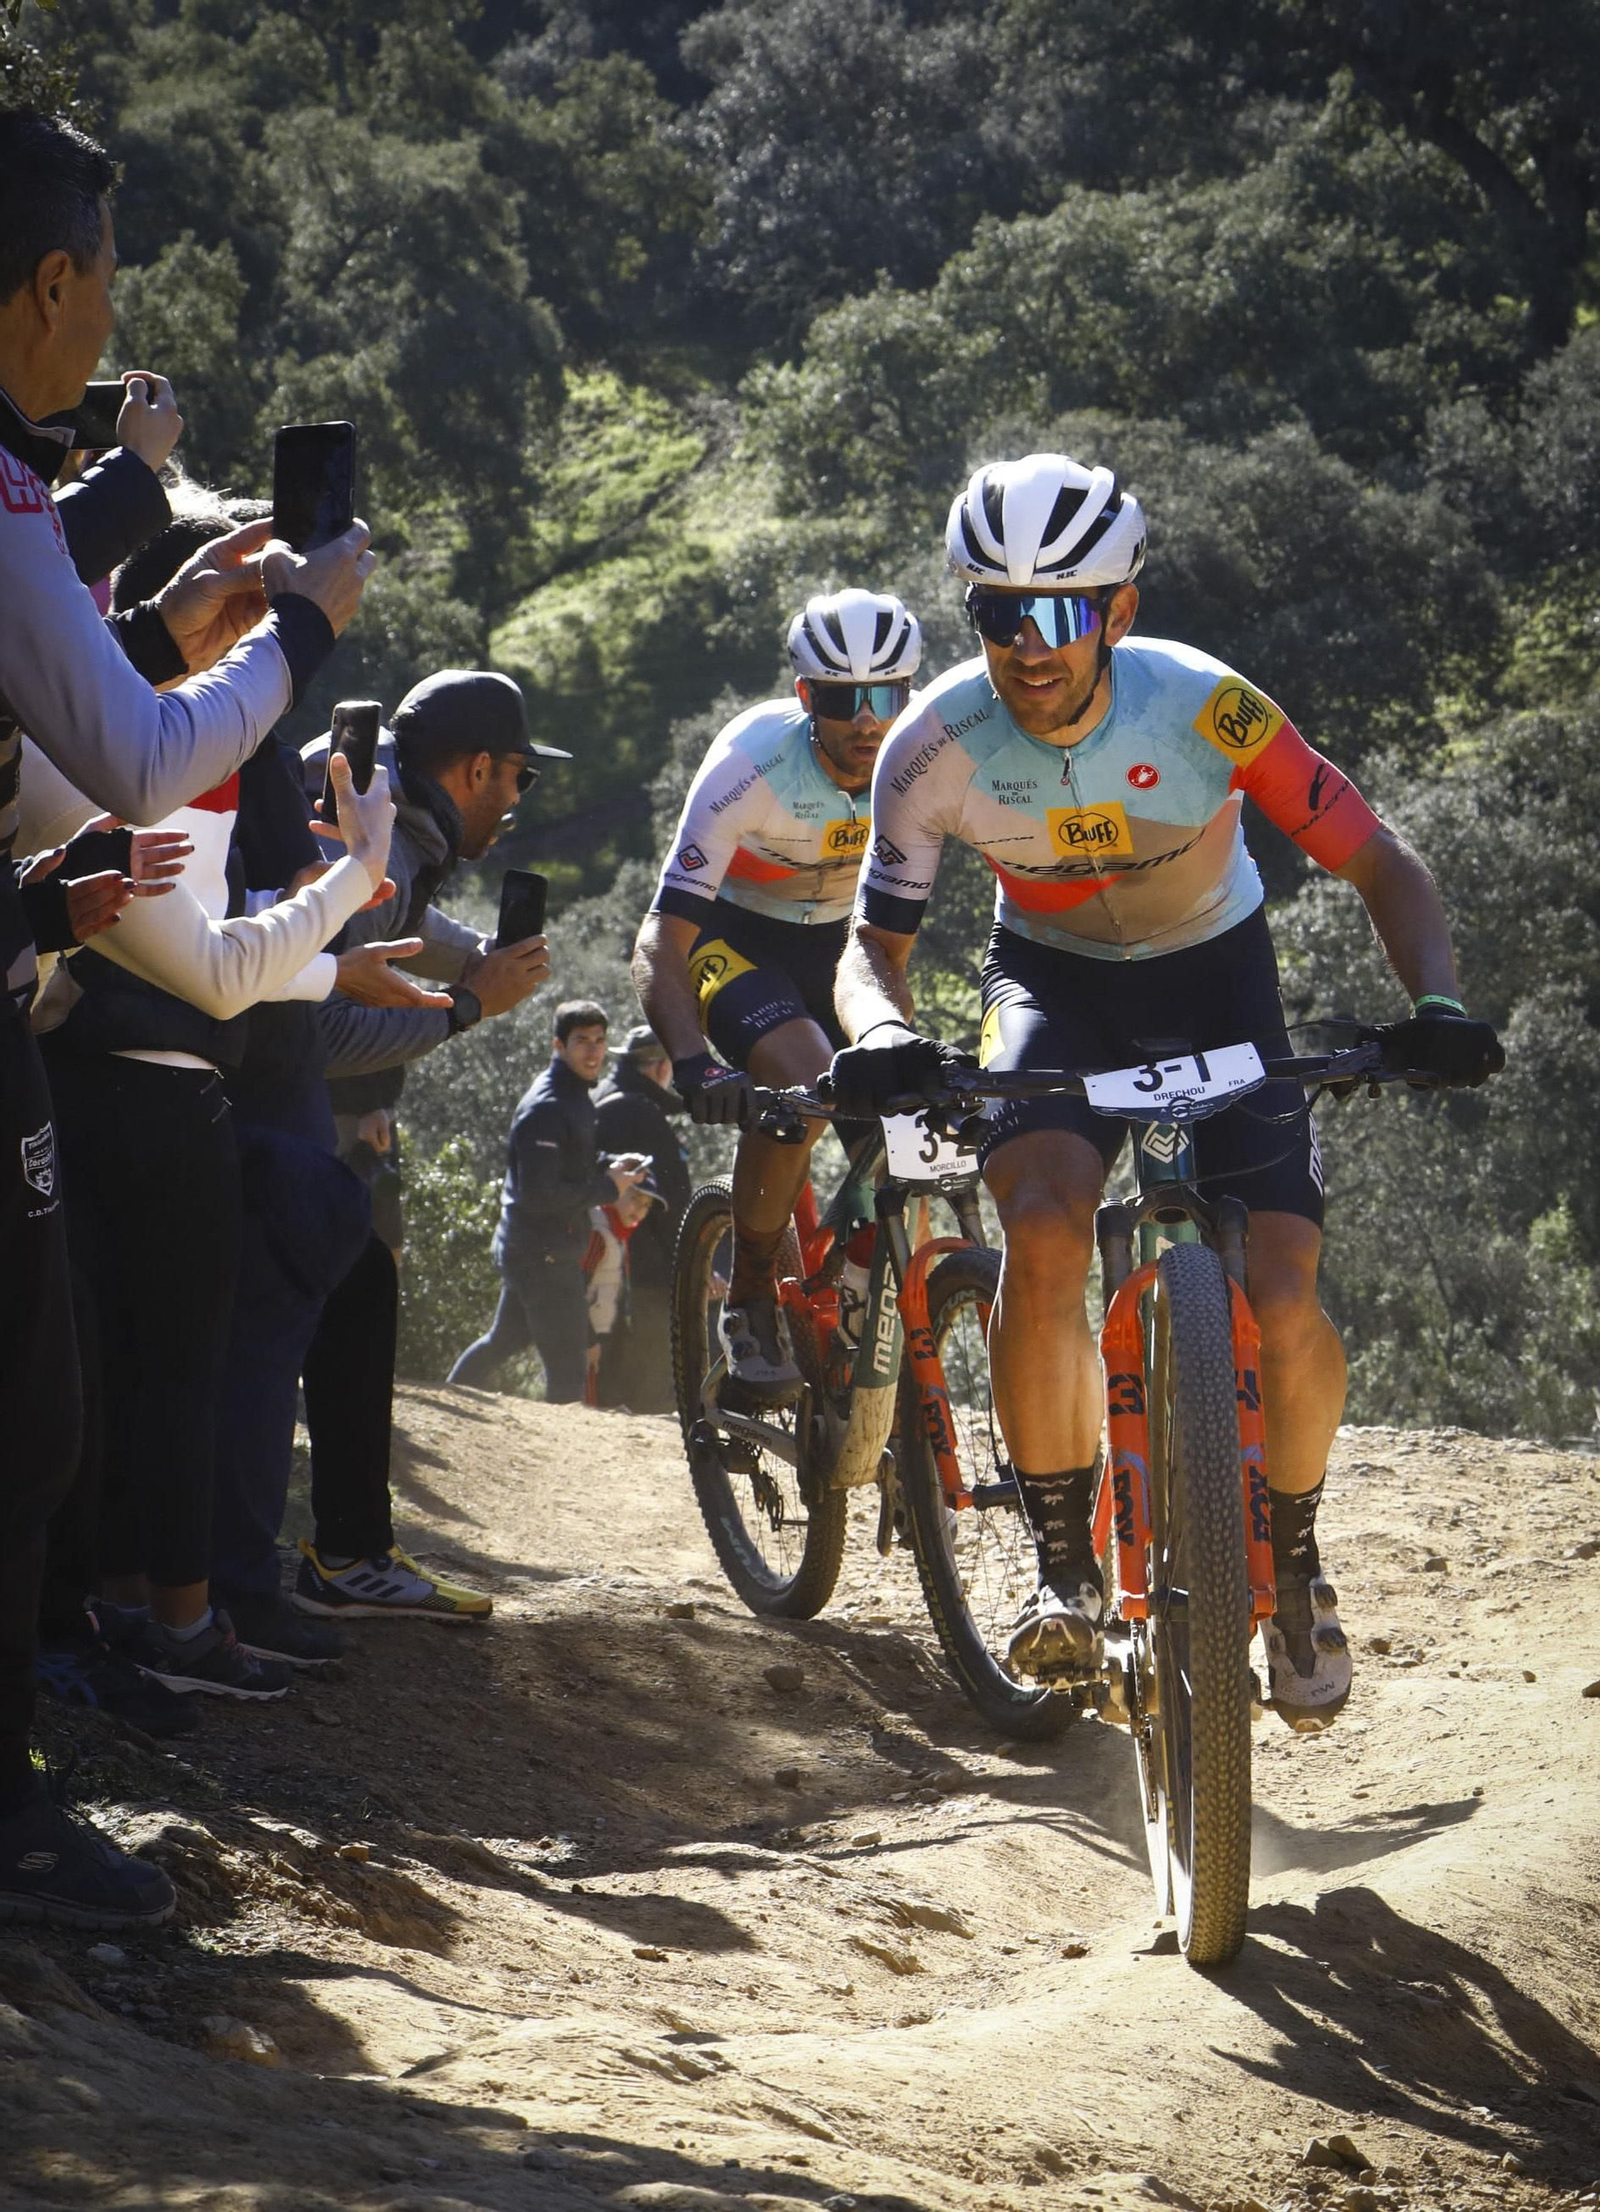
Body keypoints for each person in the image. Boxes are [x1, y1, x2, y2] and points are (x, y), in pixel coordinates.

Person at [829, 451, 1504, 1730]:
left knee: (1287, 1291)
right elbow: (873, 949)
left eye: (1063, 612)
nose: (1029, 647)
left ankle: (1293, 1554)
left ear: (1119, 612)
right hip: (1051, 983)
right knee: (1038, 1223)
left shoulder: (1209, 707)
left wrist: (1438, 1007)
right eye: (998, 615)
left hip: (1217, 981)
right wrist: (878, 1031)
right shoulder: (930, 749)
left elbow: (1379, 860)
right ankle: (1061, 1566)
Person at [0, 105, 370, 1928]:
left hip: (77, 1023)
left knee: (64, 1404)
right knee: (53, 1414)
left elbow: (92, 835)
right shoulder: (12, 500)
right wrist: (301, 641)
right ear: (55, 285)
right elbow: (151, 806)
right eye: (107, 288)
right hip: (114, 1083)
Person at [631, 588, 922, 1408]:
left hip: (845, 949)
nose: (868, 721)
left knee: (912, 1117)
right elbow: (662, 938)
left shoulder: (929, 752)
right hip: (735, 940)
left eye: (886, 697)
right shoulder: (750, 764)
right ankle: (751, 1296)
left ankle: (868, 1312)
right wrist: (691, 1061)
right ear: (805, 697)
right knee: (805, 1076)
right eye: (842, 699)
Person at [449, 1003, 651, 1404]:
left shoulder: (573, 1095)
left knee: (504, 1340)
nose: (593, 1052)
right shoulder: (548, 1107)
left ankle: (448, 1401)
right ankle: (563, 1466)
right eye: (581, 1042)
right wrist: (608, 1188)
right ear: (558, 1045)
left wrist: (609, 1165)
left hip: (535, 1248)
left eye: (599, 1041)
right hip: (543, 1254)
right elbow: (539, 1195)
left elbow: (569, 1166)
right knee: (569, 1372)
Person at [592, 1027, 690, 1411]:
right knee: (647, 1365)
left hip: (606, 1254)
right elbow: (672, 1197)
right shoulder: (640, 1111)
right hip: (645, 1266)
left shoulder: (603, 1096)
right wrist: (686, 1257)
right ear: (661, 1066)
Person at [581, 1173, 665, 1407]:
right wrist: (588, 1342)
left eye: (647, 1205)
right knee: (581, 1407)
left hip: (600, 1333)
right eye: (635, 1198)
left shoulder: (619, 1232)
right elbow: (575, 1291)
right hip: (584, 1336)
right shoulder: (598, 1232)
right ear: (616, 1191)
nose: (640, 1209)